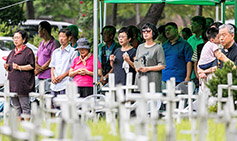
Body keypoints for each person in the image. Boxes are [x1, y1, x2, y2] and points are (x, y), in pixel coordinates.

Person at [4, 29, 35, 121]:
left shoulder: (28, 52)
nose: (15, 40)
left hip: (23, 84)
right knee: (16, 107)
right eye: (14, 38)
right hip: (13, 84)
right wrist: (6, 67)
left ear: (24, 39)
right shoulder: (12, 52)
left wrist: (19, 67)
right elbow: (9, 65)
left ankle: (26, 127)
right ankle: (18, 128)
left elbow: (32, 66)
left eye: (18, 38)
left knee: (25, 106)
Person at [134, 23, 166, 92]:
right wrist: (138, 68)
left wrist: (148, 69)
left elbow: (162, 65)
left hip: (153, 79)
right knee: (140, 101)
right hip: (140, 78)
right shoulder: (140, 47)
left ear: (153, 33)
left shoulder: (158, 48)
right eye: (143, 31)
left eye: (148, 31)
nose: (145, 33)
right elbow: (136, 61)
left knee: (153, 101)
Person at [49, 29, 77, 98]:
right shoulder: (56, 52)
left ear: (69, 38)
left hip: (65, 83)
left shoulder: (73, 52)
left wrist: (62, 76)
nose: (61, 39)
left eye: (63, 36)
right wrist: (52, 77)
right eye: (60, 36)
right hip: (54, 85)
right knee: (54, 105)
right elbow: (53, 66)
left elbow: (73, 68)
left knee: (64, 106)